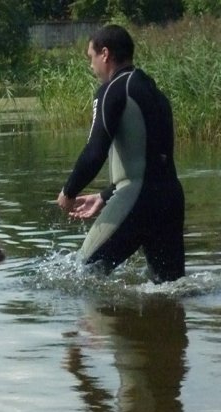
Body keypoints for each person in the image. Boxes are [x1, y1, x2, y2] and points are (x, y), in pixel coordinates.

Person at [56, 24, 185, 283]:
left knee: (81, 275)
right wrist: (105, 196)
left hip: (137, 199)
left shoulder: (112, 90)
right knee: (170, 290)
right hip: (170, 199)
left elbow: (95, 151)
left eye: (91, 57)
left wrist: (68, 192)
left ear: (105, 54)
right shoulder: (154, 91)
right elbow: (150, 159)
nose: (91, 67)